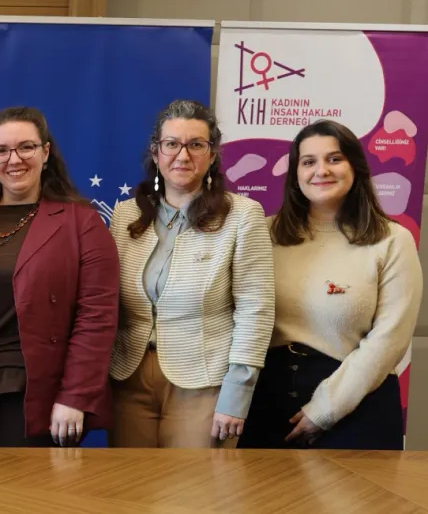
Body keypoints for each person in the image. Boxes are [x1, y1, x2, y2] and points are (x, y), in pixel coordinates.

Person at [0, 107, 119, 447]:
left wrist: (75, 395)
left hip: (36, 396)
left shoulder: (82, 224)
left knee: (23, 484)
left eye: (26, 147)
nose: (14, 159)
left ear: (46, 152)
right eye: (1, 151)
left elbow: (97, 316)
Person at [242, 120, 422, 449]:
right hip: (265, 404)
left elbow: (390, 339)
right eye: (308, 161)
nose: (321, 170)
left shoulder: (393, 241)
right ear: (295, 174)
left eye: (334, 159)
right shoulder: (262, 234)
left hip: (358, 408)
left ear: (356, 167)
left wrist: (327, 408)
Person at [109, 99, 274, 448]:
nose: (182, 156)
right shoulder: (124, 215)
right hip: (127, 379)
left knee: (194, 481)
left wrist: (237, 395)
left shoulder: (243, 216)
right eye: (171, 144)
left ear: (212, 154)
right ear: (156, 152)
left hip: (204, 382)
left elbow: (255, 311)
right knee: (128, 481)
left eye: (196, 144)